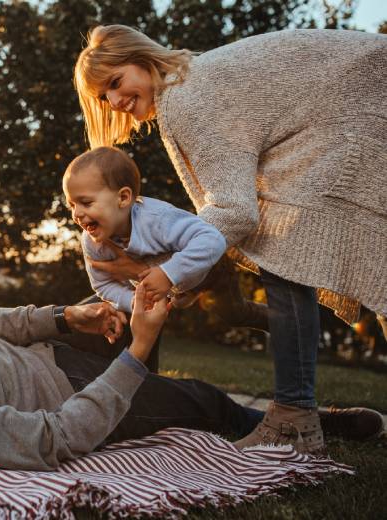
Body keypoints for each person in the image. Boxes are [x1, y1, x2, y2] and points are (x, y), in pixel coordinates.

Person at [0, 240, 382, 470]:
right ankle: (298, 424)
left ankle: (148, 357)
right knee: (200, 398)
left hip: (57, 355)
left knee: (129, 301)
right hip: (74, 399)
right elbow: (54, 440)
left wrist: (66, 317)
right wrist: (139, 352)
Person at [73, 26, 387, 454]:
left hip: (355, 111)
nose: (115, 102)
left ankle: (294, 418)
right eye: (103, 97)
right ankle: (296, 406)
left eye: (114, 82)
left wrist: (171, 273)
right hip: (348, 112)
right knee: (289, 252)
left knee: (285, 250)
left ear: (142, 58)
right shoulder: (188, 82)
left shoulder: (185, 99)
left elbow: (235, 209)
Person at [64, 145, 227, 312]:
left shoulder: (157, 219)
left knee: (230, 309)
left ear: (123, 197)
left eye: (86, 203)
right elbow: (103, 284)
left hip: (213, 274)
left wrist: (167, 274)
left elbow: (213, 239)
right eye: (71, 205)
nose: (76, 213)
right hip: (173, 290)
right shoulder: (91, 241)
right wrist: (133, 301)